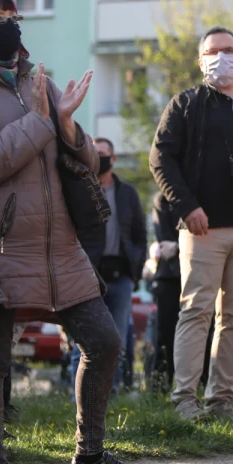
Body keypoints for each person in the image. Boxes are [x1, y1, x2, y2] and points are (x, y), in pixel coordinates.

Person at [0, 0, 151, 464]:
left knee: (104, 341)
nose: (11, 27)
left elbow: (82, 160)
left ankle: (90, 457)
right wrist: (38, 120)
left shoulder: (39, 82)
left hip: (59, 245)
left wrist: (69, 123)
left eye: (15, 16)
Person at [149, 26, 233, 422]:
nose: (222, 57)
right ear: (200, 59)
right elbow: (161, 159)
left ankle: (221, 399)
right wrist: (186, 206)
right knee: (196, 311)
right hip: (202, 228)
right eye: (213, 51)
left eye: (229, 50)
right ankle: (184, 399)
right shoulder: (185, 104)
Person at [79, 138, 148, 396]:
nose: (99, 159)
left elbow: (140, 234)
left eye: (103, 154)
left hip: (121, 277)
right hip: (88, 274)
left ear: (114, 158)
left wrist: (136, 267)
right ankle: (83, 395)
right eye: (94, 154)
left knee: (115, 339)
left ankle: (110, 393)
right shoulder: (81, 189)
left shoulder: (127, 192)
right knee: (85, 339)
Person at [147, 193, 183, 392]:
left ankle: (200, 383)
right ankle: (160, 387)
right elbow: (165, 245)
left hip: (195, 274)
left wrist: (178, 246)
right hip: (168, 277)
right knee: (164, 335)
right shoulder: (162, 200)